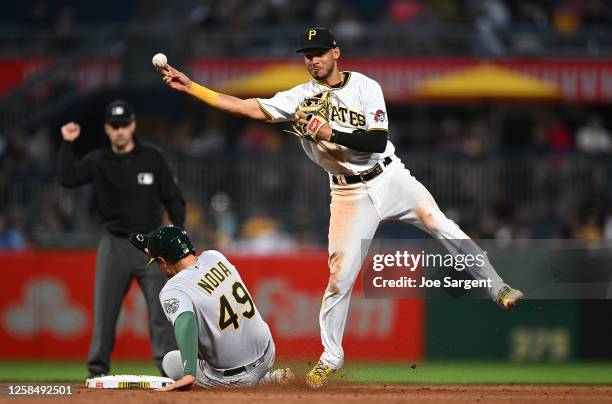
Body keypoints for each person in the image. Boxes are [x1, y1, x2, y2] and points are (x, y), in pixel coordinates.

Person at [157, 27, 524, 388]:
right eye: (306, 55)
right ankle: (331, 357)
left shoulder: (366, 87)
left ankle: (498, 287)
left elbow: (377, 141)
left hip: (388, 176)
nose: (312, 60)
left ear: (336, 53)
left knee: (441, 224)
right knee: (339, 277)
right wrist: (193, 87)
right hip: (347, 194)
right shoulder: (300, 96)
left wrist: (328, 132)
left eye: (318, 53)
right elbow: (247, 107)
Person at [58, 100, 185, 378]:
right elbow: (67, 178)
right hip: (114, 243)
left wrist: (179, 231)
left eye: (123, 125)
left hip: (152, 246)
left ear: (133, 125)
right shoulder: (98, 159)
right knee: (105, 313)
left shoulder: (153, 157)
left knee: (161, 312)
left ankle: (168, 372)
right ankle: (97, 371)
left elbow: (173, 197)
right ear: (106, 129)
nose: (119, 131)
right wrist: (67, 143)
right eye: (114, 126)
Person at [129, 225, 294, 390]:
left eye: (157, 262)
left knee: (170, 361)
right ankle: (270, 378)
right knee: (209, 322)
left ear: (163, 262)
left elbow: (185, 321)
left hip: (236, 378)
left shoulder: (173, 289)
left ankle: (261, 382)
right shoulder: (215, 256)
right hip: (267, 353)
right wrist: (158, 251)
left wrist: (188, 373)